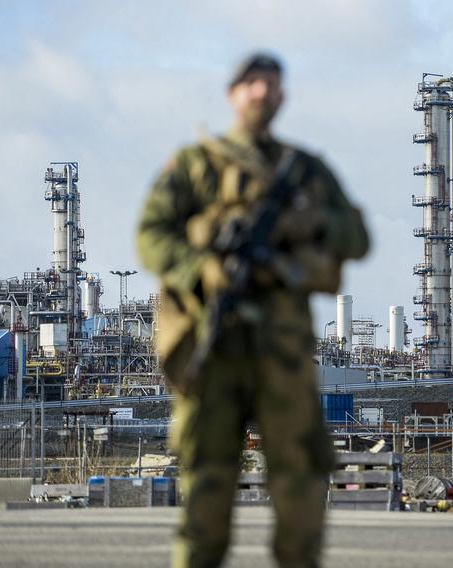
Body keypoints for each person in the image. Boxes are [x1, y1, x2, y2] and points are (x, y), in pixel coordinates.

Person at [137, 52, 369, 568]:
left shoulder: (306, 172)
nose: (262, 93)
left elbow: (356, 237)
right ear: (233, 94)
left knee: (302, 492)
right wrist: (201, 270)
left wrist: (303, 222)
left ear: (282, 96)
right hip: (212, 349)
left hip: (283, 358)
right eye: (252, 83)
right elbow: (150, 237)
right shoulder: (197, 167)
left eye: (272, 84)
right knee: (204, 496)